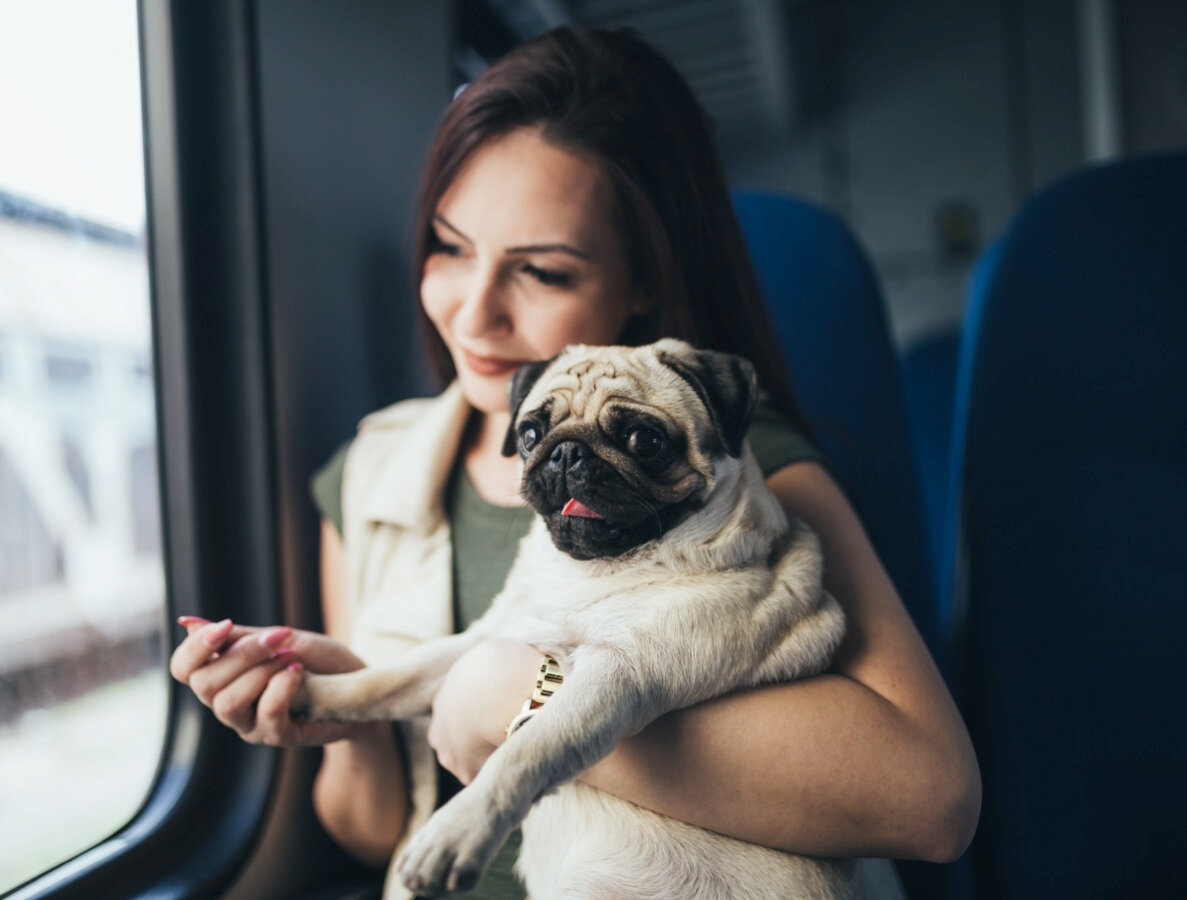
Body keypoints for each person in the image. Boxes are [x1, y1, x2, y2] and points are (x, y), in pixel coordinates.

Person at [170, 25, 980, 898]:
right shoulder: (372, 477)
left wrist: (517, 694)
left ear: (645, 281)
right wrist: (344, 708)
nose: (475, 313)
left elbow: (932, 800)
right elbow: (373, 835)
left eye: (542, 273)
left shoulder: (744, 464)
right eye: (449, 247)